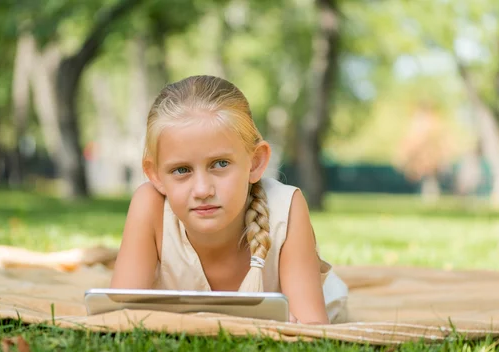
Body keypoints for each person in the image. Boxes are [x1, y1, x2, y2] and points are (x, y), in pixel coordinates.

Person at [110, 75, 348, 324]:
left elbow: (312, 327)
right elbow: (117, 316)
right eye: (181, 170)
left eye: (220, 164)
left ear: (255, 162)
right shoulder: (150, 205)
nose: (202, 190)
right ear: (155, 175)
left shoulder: (286, 207)